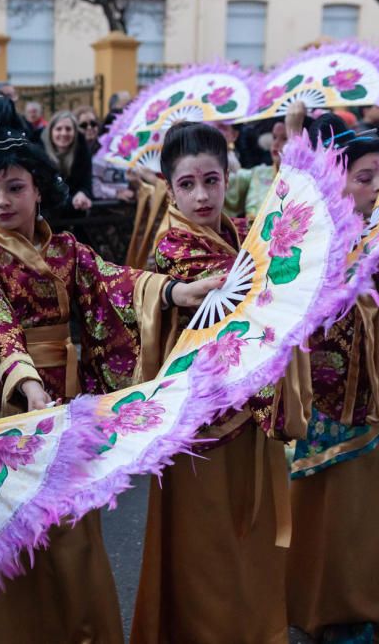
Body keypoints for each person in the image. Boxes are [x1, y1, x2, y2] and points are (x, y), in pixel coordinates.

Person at [0, 96, 220, 644]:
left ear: (38, 188)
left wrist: (176, 289)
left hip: (68, 409)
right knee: (12, 545)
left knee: (74, 542)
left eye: (15, 187)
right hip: (9, 412)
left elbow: (121, 285)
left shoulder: (69, 251)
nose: (1, 201)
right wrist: (28, 387)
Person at [131, 122, 310, 643]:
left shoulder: (238, 231)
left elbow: (287, 244)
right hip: (203, 424)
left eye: (212, 179)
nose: (202, 194)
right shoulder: (174, 248)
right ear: (169, 187)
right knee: (205, 548)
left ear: (228, 176)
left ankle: (254, 632)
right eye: (187, 184)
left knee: (249, 540)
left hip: (250, 411)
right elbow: (259, 291)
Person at [286, 113, 379, 642]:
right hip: (327, 404)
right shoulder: (311, 236)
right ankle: (329, 612)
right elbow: (335, 288)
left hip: (370, 394)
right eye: (364, 177)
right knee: (329, 518)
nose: (377, 186)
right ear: (336, 179)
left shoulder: (366, 230)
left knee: (361, 518)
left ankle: (356, 605)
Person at [226, 101, 307, 221]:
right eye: (274, 137)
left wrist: (294, 133)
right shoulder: (258, 173)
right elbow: (223, 184)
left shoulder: (307, 181)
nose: (275, 144)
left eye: (285, 138)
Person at [41, 110, 93, 211]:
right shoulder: (40, 153)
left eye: (68, 129)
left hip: (75, 215)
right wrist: (71, 200)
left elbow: (86, 182)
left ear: (75, 132)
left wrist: (82, 194)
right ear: (51, 132)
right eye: (59, 129)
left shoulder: (82, 151)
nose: (64, 133)